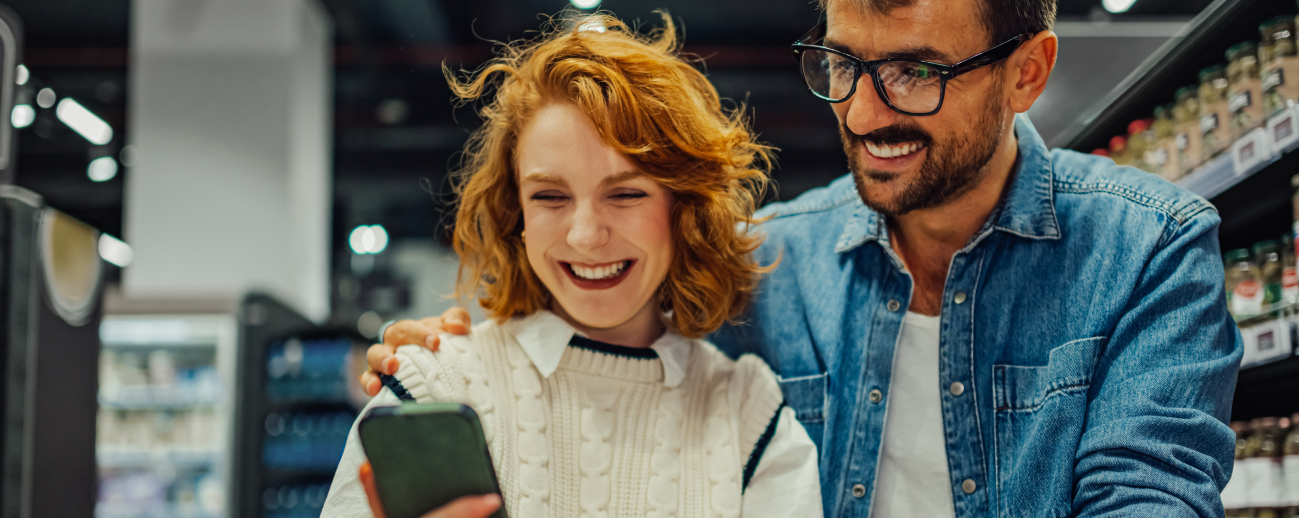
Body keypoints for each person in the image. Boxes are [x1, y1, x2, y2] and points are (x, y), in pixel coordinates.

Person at [364, 0, 1244, 516]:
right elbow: (594, 329)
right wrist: (455, 360)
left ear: (1028, 71)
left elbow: (1147, 496)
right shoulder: (769, 261)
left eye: (914, 73)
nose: (862, 112)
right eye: (843, 63)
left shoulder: (1148, 250)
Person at [322, 14, 823, 518]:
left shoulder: (748, 414)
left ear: (684, 208)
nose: (585, 236)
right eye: (550, 196)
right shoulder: (432, 386)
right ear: (515, 211)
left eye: (626, 193)